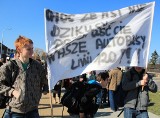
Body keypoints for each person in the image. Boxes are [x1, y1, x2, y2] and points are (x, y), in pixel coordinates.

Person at [0, 35, 48, 118]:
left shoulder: (38, 66)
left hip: (33, 111)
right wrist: (12, 92)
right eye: (28, 49)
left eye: (32, 48)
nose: (32, 51)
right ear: (19, 50)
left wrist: (46, 88)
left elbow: (44, 80)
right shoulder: (9, 66)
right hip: (14, 111)